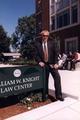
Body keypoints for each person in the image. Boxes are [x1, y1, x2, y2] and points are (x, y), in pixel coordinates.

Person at [34, 30, 64, 101]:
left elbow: (56, 53)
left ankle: (59, 95)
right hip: (44, 65)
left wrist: (56, 63)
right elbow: (36, 55)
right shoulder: (37, 44)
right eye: (44, 35)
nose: (46, 37)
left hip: (52, 64)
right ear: (41, 36)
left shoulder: (52, 42)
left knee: (57, 78)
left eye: (47, 36)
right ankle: (45, 95)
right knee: (45, 80)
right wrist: (39, 61)